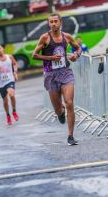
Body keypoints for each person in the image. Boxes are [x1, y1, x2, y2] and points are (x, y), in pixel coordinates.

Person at [32, 13, 81, 146]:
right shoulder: (45, 38)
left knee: (69, 102)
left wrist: (76, 55)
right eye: (51, 22)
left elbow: (78, 48)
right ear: (49, 24)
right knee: (58, 109)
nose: (53, 24)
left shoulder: (67, 37)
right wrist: (50, 58)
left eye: (55, 21)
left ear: (60, 23)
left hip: (66, 72)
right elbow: (34, 55)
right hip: (51, 75)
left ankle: (70, 136)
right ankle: (61, 112)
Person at [0, 44, 19, 125]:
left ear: (2, 48)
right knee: (5, 101)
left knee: (11, 94)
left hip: (10, 80)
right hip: (1, 83)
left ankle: (14, 111)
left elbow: (15, 64)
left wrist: (15, 72)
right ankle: (8, 115)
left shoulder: (9, 57)